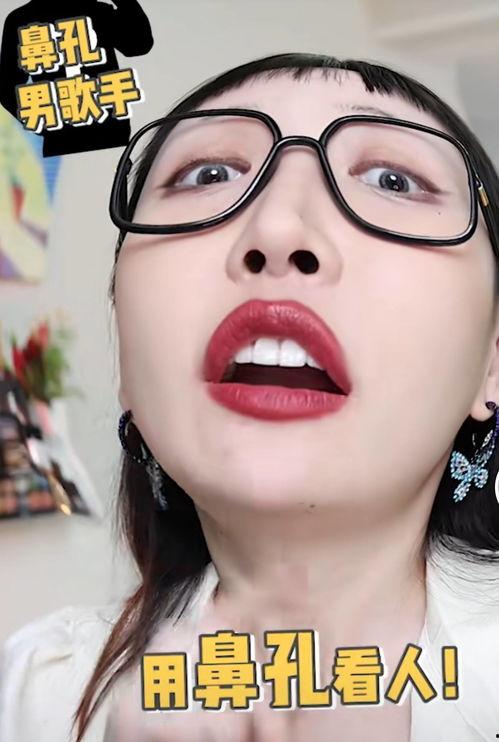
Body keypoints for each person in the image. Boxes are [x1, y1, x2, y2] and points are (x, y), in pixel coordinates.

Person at [2, 52, 499, 742]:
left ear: (492, 364)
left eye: (393, 179)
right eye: (208, 174)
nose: (278, 230)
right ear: (127, 362)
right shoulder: (32, 691)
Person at [0, 0, 153, 156]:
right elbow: (6, 88)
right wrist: (44, 122)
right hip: (72, 138)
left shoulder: (97, 11)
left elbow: (139, 44)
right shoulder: (21, 19)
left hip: (108, 134)